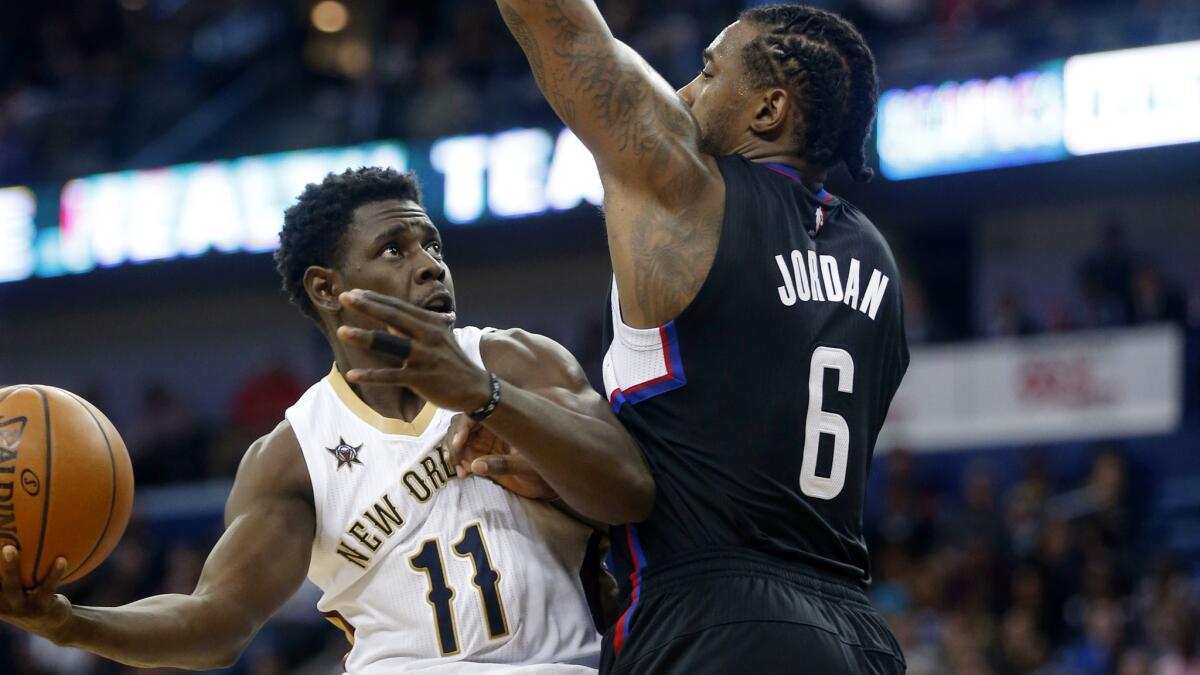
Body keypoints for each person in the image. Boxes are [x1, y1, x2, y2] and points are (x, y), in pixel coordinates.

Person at [0, 167, 654, 673]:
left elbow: (631, 491)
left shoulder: (514, 359)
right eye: (394, 249)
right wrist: (72, 623)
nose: (429, 262)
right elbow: (217, 619)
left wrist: (485, 396)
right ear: (326, 288)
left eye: (431, 242)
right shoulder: (293, 452)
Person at [488, 2, 910, 672]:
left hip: (712, 624)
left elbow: (561, 26)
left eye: (708, 74)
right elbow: (739, 446)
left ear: (767, 111)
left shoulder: (685, 192)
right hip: (858, 636)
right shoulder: (876, 258)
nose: (684, 93)